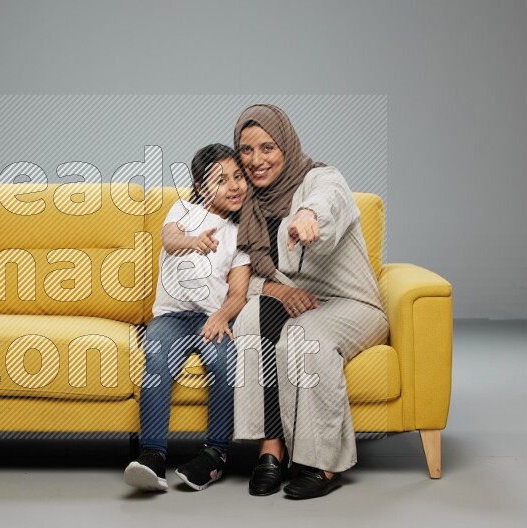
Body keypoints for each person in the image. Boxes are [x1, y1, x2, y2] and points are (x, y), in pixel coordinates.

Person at [231, 104, 389, 499]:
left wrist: (307, 216)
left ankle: (323, 463)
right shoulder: (246, 201)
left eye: (267, 147)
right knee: (250, 320)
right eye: (246, 150)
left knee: (305, 338)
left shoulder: (321, 178)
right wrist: (278, 291)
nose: (256, 160)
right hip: (295, 301)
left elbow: (327, 200)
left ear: (285, 144)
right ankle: (271, 446)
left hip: (349, 304)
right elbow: (241, 275)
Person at [124, 144, 251, 492]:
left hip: (211, 317)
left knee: (226, 363)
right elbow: (169, 238)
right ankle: (153, 456)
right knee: (157, 358)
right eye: (222, 180)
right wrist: (193, 241)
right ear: (200, 186)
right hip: (171, 318)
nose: (235, 185)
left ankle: (215, 456)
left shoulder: (240, 235)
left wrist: (223, 316)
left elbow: (238, 292)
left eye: (238, 177)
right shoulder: (183, 209)